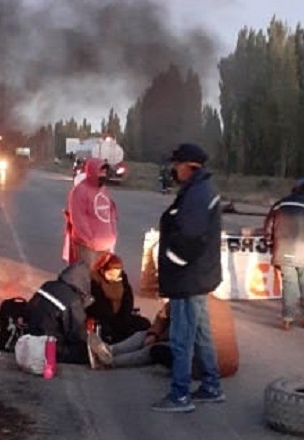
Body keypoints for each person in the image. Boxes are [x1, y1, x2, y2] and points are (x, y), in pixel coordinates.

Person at [151, 143, 224, 414]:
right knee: (202, 334)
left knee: (182, 337)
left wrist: (173, 262)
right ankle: (211, 386)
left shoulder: (197, 193)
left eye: (176, 164)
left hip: (188, 278)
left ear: (189, 166)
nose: (173, 169)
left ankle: (180, 395)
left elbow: (190, 237)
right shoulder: (199, 189)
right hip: (199, 276)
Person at [264, 178, 304, 330]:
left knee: (289, 284)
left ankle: (287, 318)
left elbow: (269, 226)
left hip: (283, 250)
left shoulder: (280, 204)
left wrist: (269, 243)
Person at [23, 261, 98, 365]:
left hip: (29, 337)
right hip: (49, 344)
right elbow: (76, 333)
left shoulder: (48, 285)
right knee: (85, 352)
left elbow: (28, 310)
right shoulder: (73, 300)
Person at [86, 252, 151, 344]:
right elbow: (99, 304)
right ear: (103, 270)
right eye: (110, 274)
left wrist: (124, 316)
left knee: (144, 324)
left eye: (116, 275)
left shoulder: (122, 278)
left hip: (121, 316)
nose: (114, 278)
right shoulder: (94, 280)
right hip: (104, 318)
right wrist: (114, 319)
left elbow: (127, 298)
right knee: (110, 332)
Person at [64, 157, 118, 266]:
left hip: (106, 245)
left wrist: (112, 235)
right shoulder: (79, 191)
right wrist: (90, 240)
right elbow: (78, 220)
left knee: (102, 279)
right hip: (88, 247)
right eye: (100, 171)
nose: (103, 174)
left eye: (105, 172)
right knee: (88, 277)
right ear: (92, 171)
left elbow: (110, 214)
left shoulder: (103, 190)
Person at [91, 301, 170, 369]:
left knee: (148, 351)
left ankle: (110, 361)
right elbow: (161, 318)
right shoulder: (174, 302)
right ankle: (108, 350)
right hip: (163, 335)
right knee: (141, 335)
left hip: (172, 345)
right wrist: (153, 334)